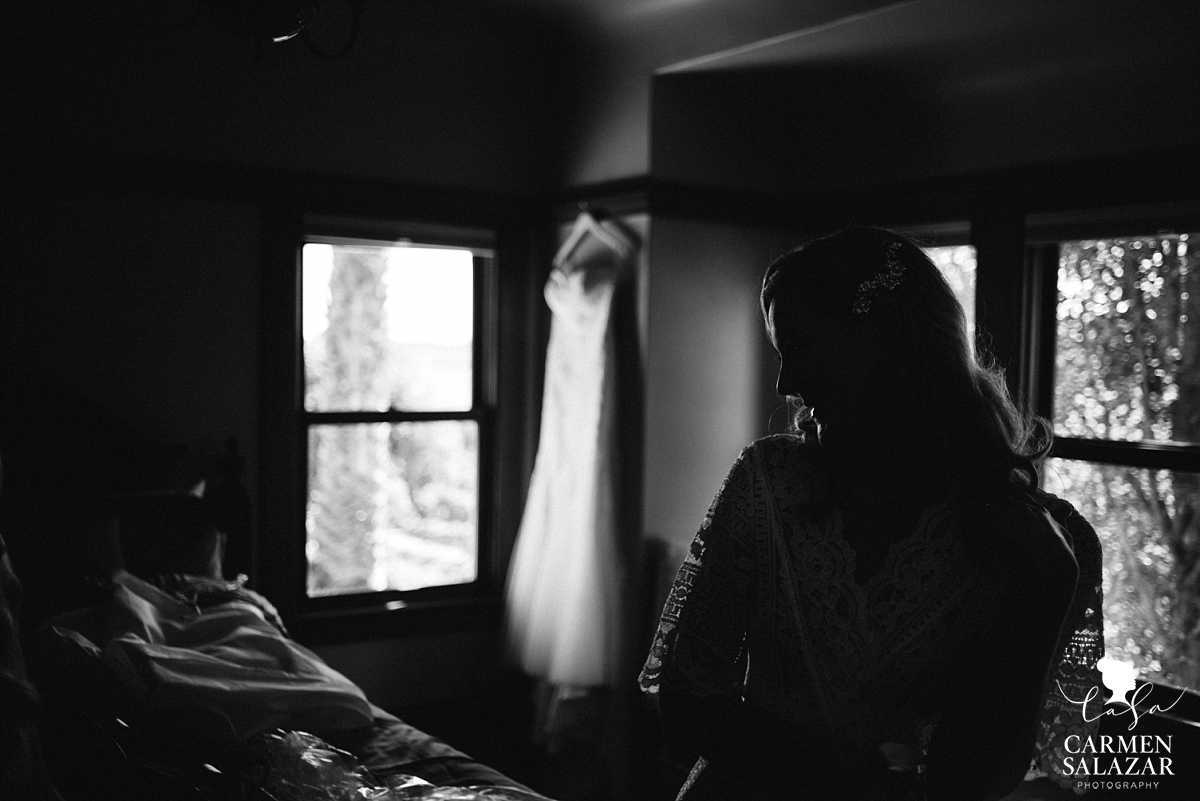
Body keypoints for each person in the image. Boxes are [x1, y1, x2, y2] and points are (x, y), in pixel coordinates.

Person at [639, 227, 1103, 800]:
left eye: (804, 347)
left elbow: (976, 775)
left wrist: (1042, 583)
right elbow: (685, 701)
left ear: (891, 342)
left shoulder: (1028, 545)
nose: (786, 382)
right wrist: (843, 775)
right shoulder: (769, 482)